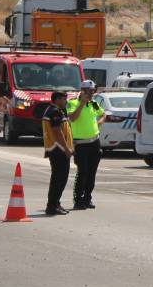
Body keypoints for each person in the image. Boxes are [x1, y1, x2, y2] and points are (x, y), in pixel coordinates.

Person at [67, 79, 105, 210]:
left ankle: (87, 198)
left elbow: (103, 114)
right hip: (80, 144)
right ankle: (78, 200)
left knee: (92, 172)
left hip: (94, 142)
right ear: (82, 91)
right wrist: (82, 103)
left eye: (93, 92)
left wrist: (100, 122)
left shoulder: (94, 104)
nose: (91, 95)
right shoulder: (72, 103)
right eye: (89, 92)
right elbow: (72, 118)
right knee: (82, 171)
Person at [42, 90, 73, 216]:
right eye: (64, 99)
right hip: (58, 149)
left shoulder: (54, 110)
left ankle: (55, 204)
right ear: (57, 99)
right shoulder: (54, 111)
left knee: (59, 179)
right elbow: (57, 130)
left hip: (57, 149)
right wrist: (66, 149)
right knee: (59, 179)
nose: (66, 101)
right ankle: (52, 206)